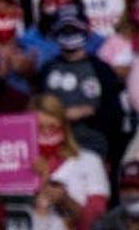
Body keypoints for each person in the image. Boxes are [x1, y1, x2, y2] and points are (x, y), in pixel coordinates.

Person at [35, 11, 127, 163]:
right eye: (64, 30)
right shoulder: (47, 69)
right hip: (54, 146)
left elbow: (116, 114)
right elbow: (36, 107)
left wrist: (89, 111)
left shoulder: (102, 69)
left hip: (94, 146)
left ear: (87, 31)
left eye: (74, 30)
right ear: (55, 33)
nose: (69, 35)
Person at [31, 93, 109, 230]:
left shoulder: (89, 161)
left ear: (63, 126)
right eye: (39, 128)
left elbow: (95, 220)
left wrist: (65, 200)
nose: (46, 133)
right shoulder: (15, 166)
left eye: (52, 127)